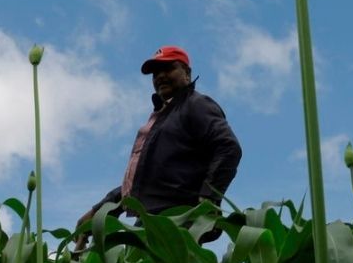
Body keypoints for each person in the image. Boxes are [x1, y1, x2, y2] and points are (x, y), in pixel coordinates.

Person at [76, 45, 242, 246]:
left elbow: (228, 147)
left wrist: (207, 200)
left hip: (177, 222)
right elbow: (144, 181)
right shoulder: (162, 119)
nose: (160, 76)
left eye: (168, 68)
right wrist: (99, 210)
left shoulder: (195, 104)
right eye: (155, 73)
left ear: (187, 73)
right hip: (151, 223)